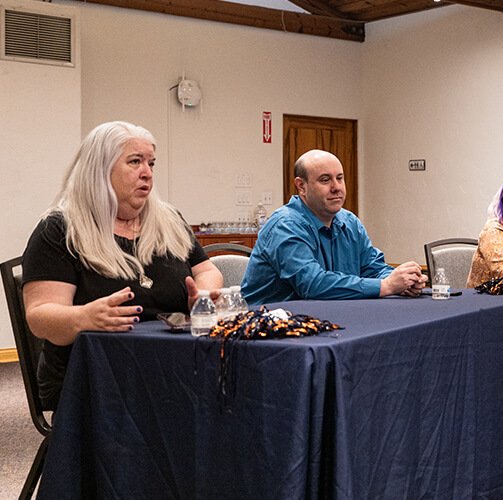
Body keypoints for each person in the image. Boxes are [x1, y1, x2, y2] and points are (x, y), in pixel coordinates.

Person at [22, 121, 223, 410]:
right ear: (100, 167)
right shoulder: (60, 229)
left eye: (151, 163)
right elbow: (40, 316)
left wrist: (202, 294)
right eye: (135, 162)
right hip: (98, 380)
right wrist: (84, 318)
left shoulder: (168, 220)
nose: (147, 173)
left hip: (173, 369)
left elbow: (206, 270)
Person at [241, 149, 426, 304]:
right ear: (301, 186)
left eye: (340, 178)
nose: (336, 187)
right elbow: (313, 284)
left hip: (329, 320)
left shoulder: (349, 222)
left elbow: (372, 267)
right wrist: (386, 286)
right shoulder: (285, 225)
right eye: (325, 180)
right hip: (267, 333)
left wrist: (404, 280)